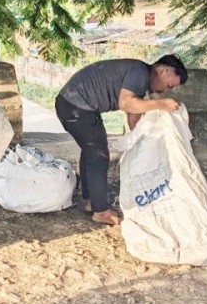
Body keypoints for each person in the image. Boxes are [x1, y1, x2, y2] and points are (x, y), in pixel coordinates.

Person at [55, 55, 188, 226]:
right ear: (163, 71)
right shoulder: (139, 72)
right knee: (98, 155)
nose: (165, 90)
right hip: (75, 106)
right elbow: (126, 103)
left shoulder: (141, 82)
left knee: (92, 151)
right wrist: (161, 104)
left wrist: (144, 142)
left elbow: (134, 117)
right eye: (169, 85)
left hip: (75, 105)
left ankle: (91, 202)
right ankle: (101, 212)